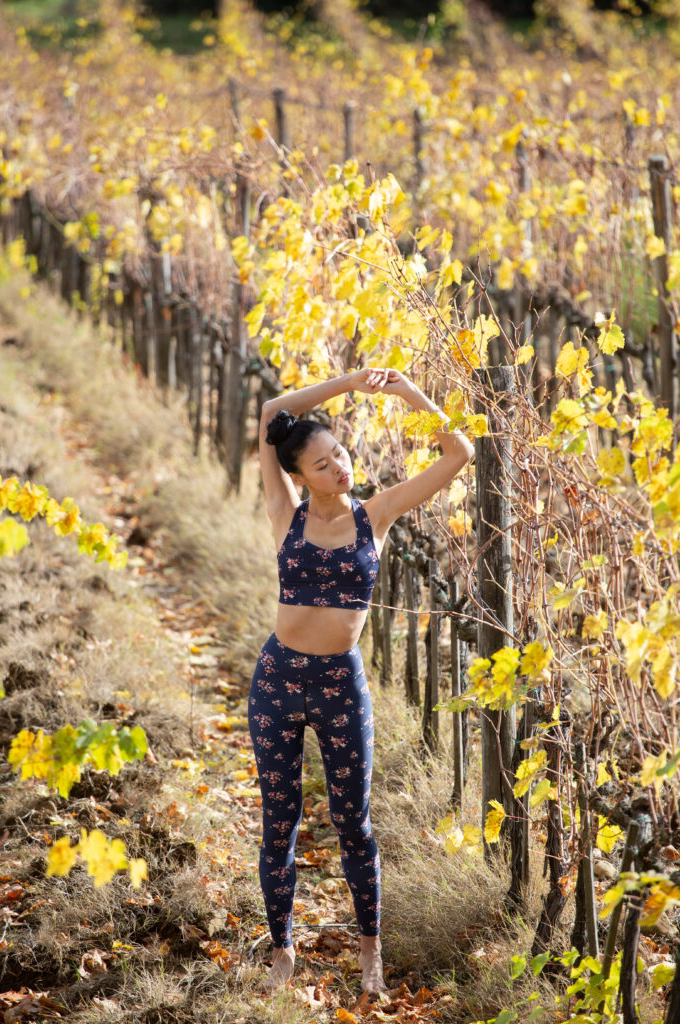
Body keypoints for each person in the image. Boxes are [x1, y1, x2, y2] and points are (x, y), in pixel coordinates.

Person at [248, 364, 474, 995]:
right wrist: (346, 382)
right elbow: (269, 412)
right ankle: (283, 949)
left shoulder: (377, 514)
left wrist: (409, 393)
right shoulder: (284, 511)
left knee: (354, 822)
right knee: (279, 820)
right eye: (322, 464)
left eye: (341, 454)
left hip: (340, 685)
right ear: (298, 475)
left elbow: (459, 453)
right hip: (278, 681)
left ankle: (370, 948)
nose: (339, 468)